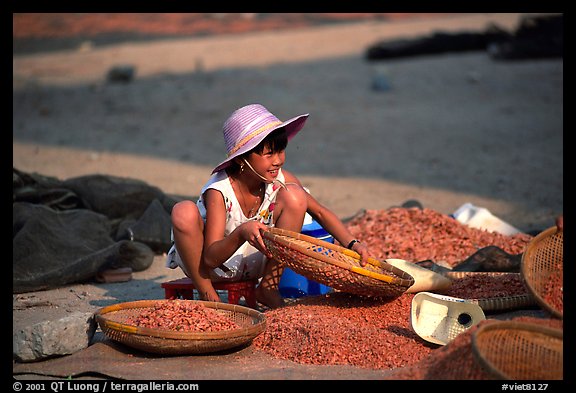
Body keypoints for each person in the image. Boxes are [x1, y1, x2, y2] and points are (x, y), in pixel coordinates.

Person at [166, 103, 372, 309]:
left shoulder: (279, 180)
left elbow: (319, 211)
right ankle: (207, 294)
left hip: (255, 264)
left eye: (281, 151)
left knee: (296, 195)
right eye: (269, 154)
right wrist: (241, 233)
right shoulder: (220, 191)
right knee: (183, 211)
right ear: (242, 159)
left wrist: (354, 245)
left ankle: (268, 287)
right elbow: (211, 258)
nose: (278, 161)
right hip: (208, 268)